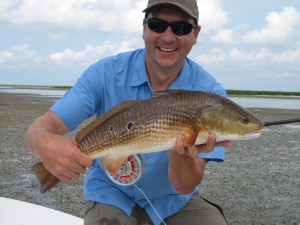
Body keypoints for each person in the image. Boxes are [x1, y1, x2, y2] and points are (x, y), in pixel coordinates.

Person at [26, 0, 233, 224]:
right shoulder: (104, 73)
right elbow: (44, 126)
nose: (168, 37)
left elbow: (184, 186)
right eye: (157, 25)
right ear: (144, 28)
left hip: (174, 200)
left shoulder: (211, 95)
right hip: (111, 194)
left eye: (181, 28)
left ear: (196, 34)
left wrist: (180, 153)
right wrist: (43, 143)